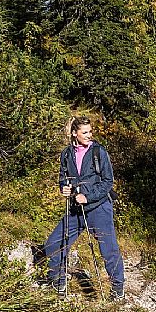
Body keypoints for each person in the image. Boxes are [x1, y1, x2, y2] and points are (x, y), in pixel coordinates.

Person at [42, 115, 126, 301]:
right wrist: (64, 188)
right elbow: (63, 177)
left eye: (90, 131)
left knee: (109, 249)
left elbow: (108, 182)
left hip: (99, 207)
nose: (89, 135)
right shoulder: (66, 154)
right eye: (85, 132)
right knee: (54, 243)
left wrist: (88, 197)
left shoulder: (98, 152)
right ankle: (58, 281)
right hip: (75, 208)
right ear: (74, 133)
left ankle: (117, 288)